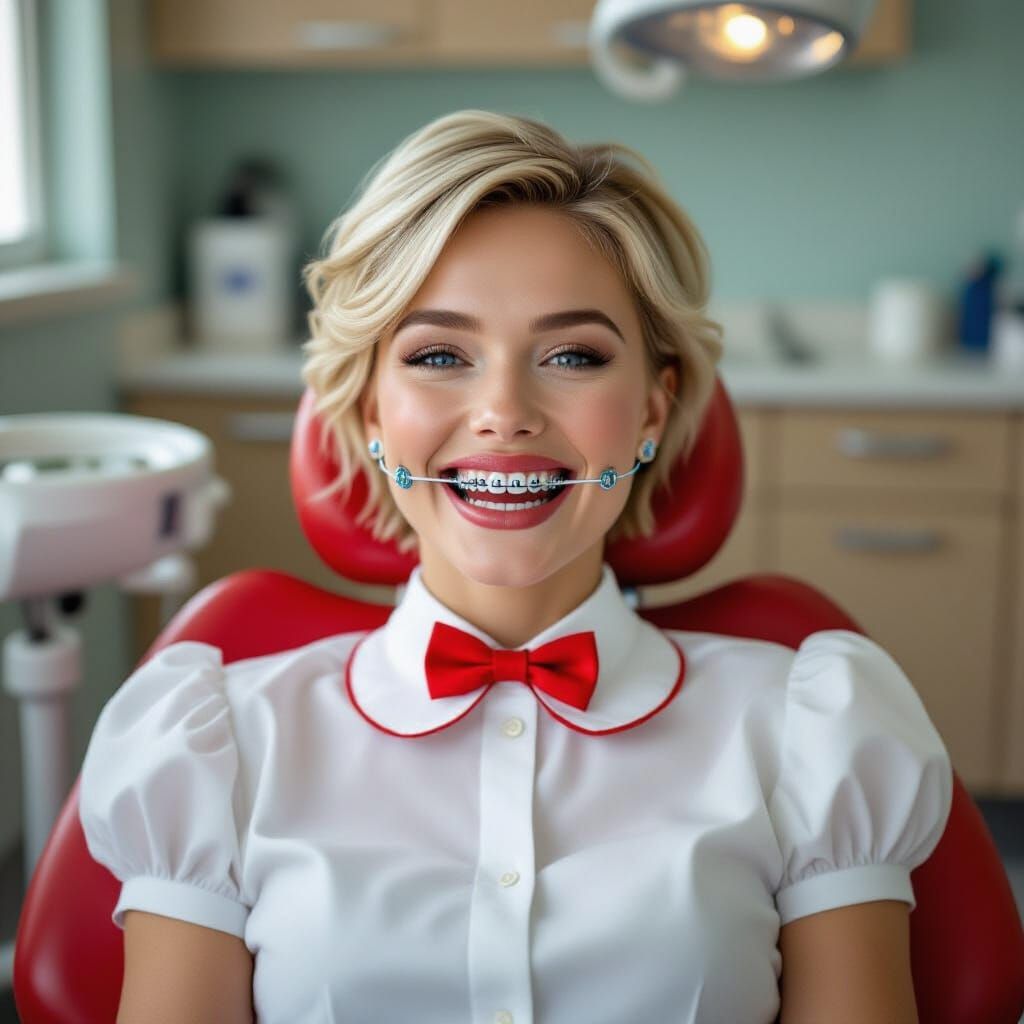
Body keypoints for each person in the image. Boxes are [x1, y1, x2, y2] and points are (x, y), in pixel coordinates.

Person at [79, 109, 953, 1024]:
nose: (504, 412)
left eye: (572, 355)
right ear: (373, 412)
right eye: (439, 355)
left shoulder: (813, 733)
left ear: (653, 413)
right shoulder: (215, 750)